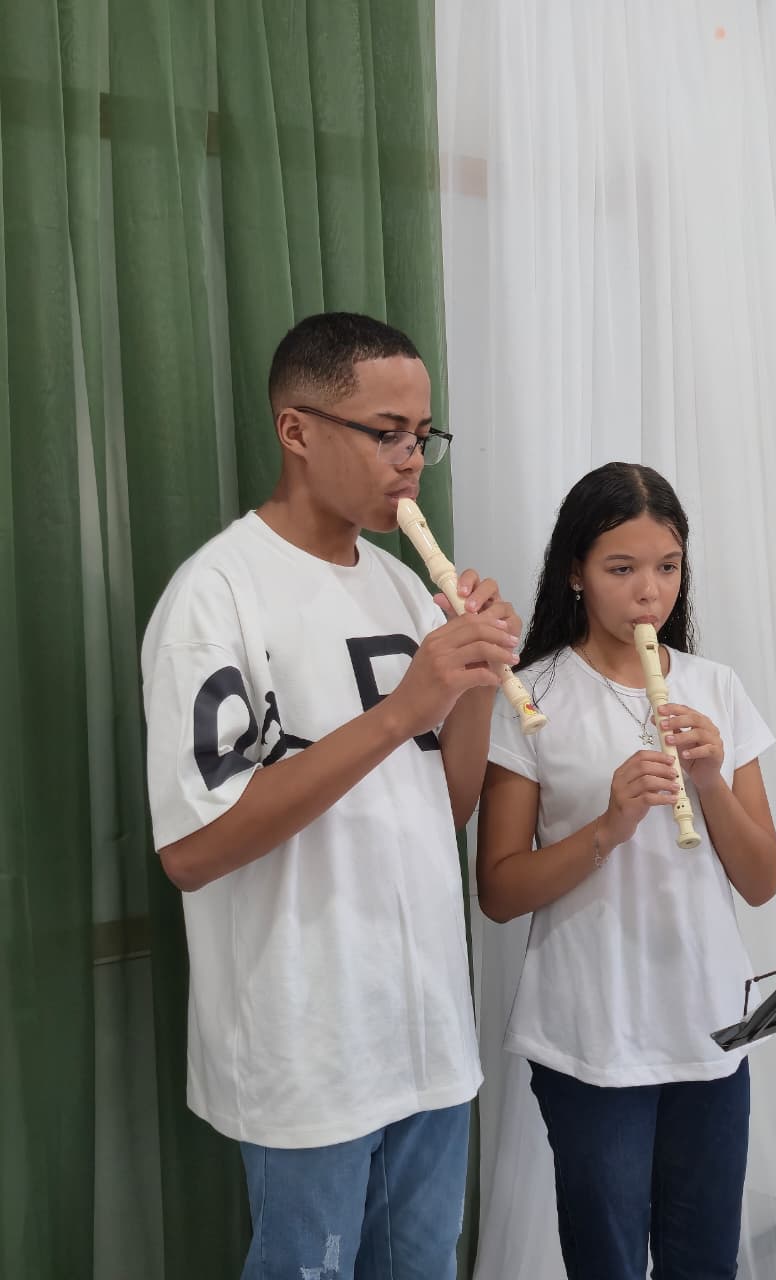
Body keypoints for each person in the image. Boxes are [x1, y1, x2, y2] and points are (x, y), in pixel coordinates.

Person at [141, 312, 522, 1280]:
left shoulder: (402, 588)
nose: (411, 460)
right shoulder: (217, 594)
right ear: (297, 430)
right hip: (306, 1042)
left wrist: (476, 685)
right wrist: (402, 711)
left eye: (423, 435)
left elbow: (441, 813)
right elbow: (193, 848)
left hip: (427, 1030)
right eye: (387, 433)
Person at [477, 462, 776, 1280]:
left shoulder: (716, 687)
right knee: (606, 1263)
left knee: (704, 1264)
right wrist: (607, 829)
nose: (651, 593)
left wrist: (709, 780)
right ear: (575, 571)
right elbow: (498, 890)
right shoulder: (530, 696)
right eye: (622, 568)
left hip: (709, 1028)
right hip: (590, 1031)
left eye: (668, 567)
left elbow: (761, 880)